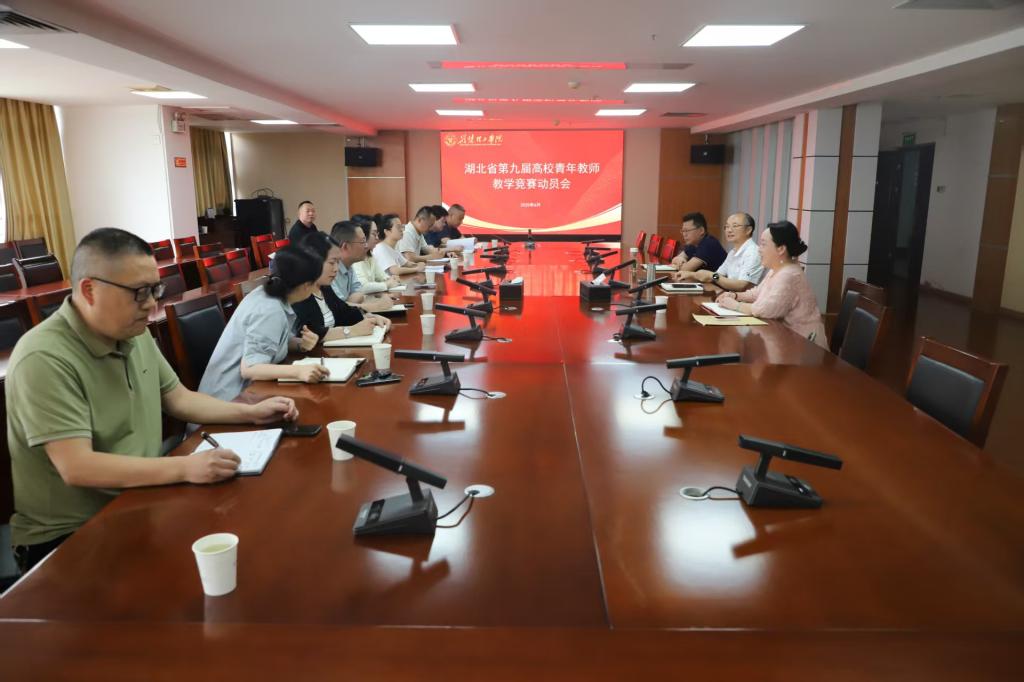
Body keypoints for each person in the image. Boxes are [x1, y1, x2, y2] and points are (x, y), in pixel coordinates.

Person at [6, 228, 299, 573]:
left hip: (141, 496)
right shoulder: (44, 356)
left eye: (155, 290)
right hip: (72, 534)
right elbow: (78, 466)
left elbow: (179, 399)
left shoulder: (134, 332)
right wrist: (185, 467)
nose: (151, 304)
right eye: (139, 293)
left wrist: (251, 413)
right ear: (89, 290)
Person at [199, 246, 331, 402]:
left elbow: (272, 341)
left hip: (252, 393)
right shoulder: (269, 310)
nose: (317, 287)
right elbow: (250, 369)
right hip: (228, 399)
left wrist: (300, 344)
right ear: (305, 285)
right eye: (315, 282)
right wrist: (298, 371)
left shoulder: (273, 296)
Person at [715, 221, 827, 348]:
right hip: (784, 337)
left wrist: (735, 305)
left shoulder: (789, 274)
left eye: (763, 244)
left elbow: (764, 310)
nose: (759, 249)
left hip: (803, 344)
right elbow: (757, 293)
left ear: (781, 249)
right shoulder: (777, 269)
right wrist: (735, 296)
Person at [293, 231, 390, 341]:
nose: (336, 269)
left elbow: (344, 311)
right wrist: (351, 331)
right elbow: (307, 331)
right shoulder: (299, 292)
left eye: (338, 262)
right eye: (331, 263)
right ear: (313, 261)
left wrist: (371, 317)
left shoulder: (324, 287)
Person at [674, 212, 763, 291]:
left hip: (743, 301)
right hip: (729, 296)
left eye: (735, 226)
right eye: (727, 226)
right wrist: (691, 275)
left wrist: (711, 276)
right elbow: (718, 275)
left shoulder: (753, 253)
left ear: (748, 230)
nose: (729, 230)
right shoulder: (733, 252)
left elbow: (741, 285)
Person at [327, 221, 395, 312]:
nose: (366, 246)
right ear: (346, 246)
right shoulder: (330, 271)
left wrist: (347, 304)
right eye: (363, 242)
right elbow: (337, 308)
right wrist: (376, 306)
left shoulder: (349, 266)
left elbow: (359, 295)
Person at [351, 216, 401, 293]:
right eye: (374, 234)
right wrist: (386, 284)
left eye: (377, 233)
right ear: (363, 236)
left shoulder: (370, 255)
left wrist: (391, 279)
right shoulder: (356, 257)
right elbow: (363, 286)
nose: (377, 237)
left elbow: (381, 276)